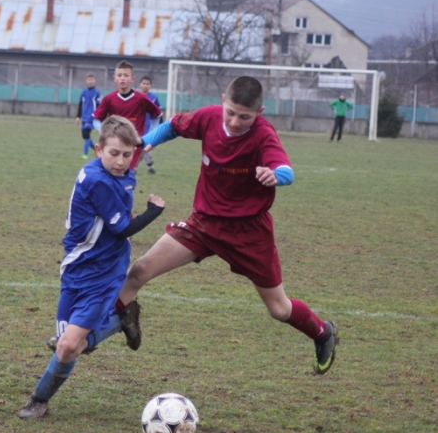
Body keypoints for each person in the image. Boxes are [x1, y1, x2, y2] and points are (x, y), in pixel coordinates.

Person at [114, 76, 340, 375]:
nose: (234, 121)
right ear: (223, 100)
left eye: (244, 116)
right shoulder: (208, 117)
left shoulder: (263, 134)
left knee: (279, 309)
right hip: (203, 224)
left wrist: (276, 176)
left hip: (249, 233)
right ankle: (97, 330)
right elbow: (175, 126)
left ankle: (324, 333)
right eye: (230, 112)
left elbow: (285, 168)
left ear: (259, 112)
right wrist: (149, 140)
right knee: (139, 271)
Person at [19, 115, 165, 418]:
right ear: (98, 150)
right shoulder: (98, 180)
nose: (121, 161)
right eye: (114, 153)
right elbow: (123, 228)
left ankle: (39, 400)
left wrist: (134, 141)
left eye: (127, 155)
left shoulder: (118, 173)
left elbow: (119, 229)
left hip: (105, 271)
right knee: (68, 344)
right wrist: (155, 210)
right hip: (77, 266)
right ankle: (121, 319)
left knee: (68, 346)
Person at [92, 60, 162, 173]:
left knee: (124, 175)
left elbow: (157, 115)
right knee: (107, 174)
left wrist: (149, 138)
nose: (122, 78)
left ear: (132, 79)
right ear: (115, 78)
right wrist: (105, 132)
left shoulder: (141, 98)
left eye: (126, 75)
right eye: (119, 75)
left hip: (133, 145)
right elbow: (96, 120)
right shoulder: (109, 99)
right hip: (113, 144)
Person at [137, 75, 162, 174]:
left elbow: (159, 113)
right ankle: (150, 167)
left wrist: (160, 126)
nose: (145, 86)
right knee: (141, 147)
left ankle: (134, 169)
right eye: (144, 83)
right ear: (140, 84)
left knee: (143, 147)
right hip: (138, 125)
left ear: (150, 85)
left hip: (149, 126)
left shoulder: (154, 98)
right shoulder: (137, 96)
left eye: (147, 84)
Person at [75, 73, 101, 159]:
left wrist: (98, 116)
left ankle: (84, 155)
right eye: (89, 80)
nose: (90, 81)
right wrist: (78, 117)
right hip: (84, 117)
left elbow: (98, 105)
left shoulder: (96, 92)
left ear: (95, 80)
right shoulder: (83, 92)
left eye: (92, 80)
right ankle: (97, 149)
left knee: (86, 135)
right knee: (85, 136)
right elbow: (80, 104)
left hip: (92, 118)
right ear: (86, 81)